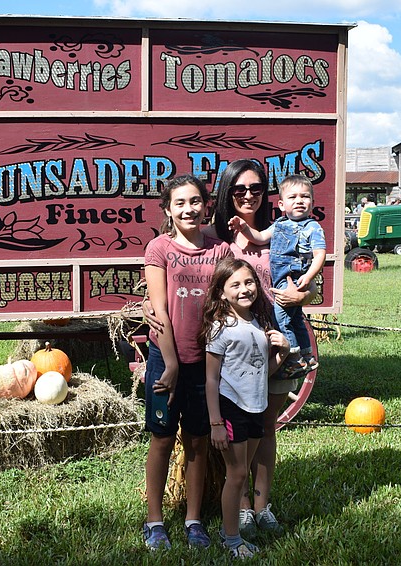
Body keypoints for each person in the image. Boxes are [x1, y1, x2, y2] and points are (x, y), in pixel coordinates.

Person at [145, 159, 316, 537]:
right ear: (225, 194)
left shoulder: (276, 233)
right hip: (212, 353)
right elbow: (171, 291)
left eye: (256, 188)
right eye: (239, 189)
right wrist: (151, 309)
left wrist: (302, 295)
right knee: (202, 433)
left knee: (256, 429)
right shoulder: (208, 240)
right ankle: (225, 509)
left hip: (262, 344)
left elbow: (305, 279)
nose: (248, 195)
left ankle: (253, 509)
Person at [141, 174, 232, 551]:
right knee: (162, 439)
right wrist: (172, 363)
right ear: (167, 209)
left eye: (195, 201)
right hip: (165, 361)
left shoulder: (220, 250)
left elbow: (227, 303)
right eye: (179, 203)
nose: (188, 209)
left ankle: (194, 521)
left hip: (205, 364)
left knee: (197, 440)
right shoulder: (159, 248)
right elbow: (159, 309)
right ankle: (154, 521)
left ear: (206, 205)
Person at [202, 257, 290, 559]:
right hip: (231, 408)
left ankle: (233, 532)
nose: (244, 289)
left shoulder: (256, 323)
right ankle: (231, 540)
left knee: (242, 470)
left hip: (256, 407)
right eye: (235, 285)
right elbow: (211, 379)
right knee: (237, 473)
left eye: (249, 282)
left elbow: (261, 372)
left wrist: (282, 353)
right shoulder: (220, 328)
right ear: (222, 292)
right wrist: (215, 422)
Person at [230, 174, 326, 379]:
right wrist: (244, 228)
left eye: (305, 197)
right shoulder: (279, 224)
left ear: (312, 202)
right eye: (293, 197)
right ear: (281, 204)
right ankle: (307, 355)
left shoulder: (312, 227)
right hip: (280, 276)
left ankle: (294, 356)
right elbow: (259, 237)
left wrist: (308, 277)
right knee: (296, 320)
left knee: (281, 318)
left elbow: (320, 255)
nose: (299, 201)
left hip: (293, 277)